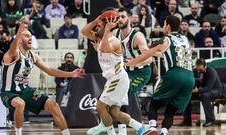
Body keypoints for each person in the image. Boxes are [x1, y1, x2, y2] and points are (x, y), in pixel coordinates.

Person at [0, 16, 85, 135]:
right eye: (26, 36)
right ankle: (18, 133)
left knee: (53, 105)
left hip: (25, 91)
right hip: (8, 92)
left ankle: (67, 133)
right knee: (20, 103)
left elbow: (50, 70)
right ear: (19, 39)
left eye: (30, 36)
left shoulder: (33, 56)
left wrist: (71, 74)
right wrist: (19, 31)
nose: (30, 38)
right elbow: (12, 46)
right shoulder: (12, 54)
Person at [81, 7, 156, 135]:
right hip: (115, 78)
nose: (95, 29)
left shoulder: (114, 41)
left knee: (101, 106)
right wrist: (96, 21)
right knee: (114, 112)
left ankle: (109, 130)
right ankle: (141, 128)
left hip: (120, 78)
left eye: (98, 26)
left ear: (106, 27)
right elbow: (84, 31)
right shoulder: (101, 37)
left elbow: (105, 49)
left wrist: (107, 30)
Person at [125, 15, 195, 135]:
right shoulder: (185, 39)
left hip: (175, 74)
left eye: (163, 25)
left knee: (154, 104)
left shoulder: (166, 39)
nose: (163, 27)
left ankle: (152, 127)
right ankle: (163, 132)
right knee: (171, 111)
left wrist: (129, 63)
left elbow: (147, 54)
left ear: (167, 26)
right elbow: (164, 54)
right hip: (190, 77)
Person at [116, 7, 152, 135]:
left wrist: (130, 62)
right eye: (118, 17)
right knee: (114, 95)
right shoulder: (115, 35)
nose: (119, 19)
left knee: (121, 92)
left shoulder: (137, 36)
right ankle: (125, 129)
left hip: (141, 72)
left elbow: (150, 59)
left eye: (123, 17)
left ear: (130, 18)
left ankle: (131, 129)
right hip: (126, 71)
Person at [190, 59, 223, 127]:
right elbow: (195, 79)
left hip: (216, 91)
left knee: (205, 95)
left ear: (205, 66)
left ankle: (211, 120)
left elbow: (208, 87)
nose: (198, 71)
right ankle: (186, 121)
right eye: (197, 68)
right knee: (188, 95)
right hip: (204, 90)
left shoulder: (211, 71)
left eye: (200, 69)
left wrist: (198, 90)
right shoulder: (197, 70)